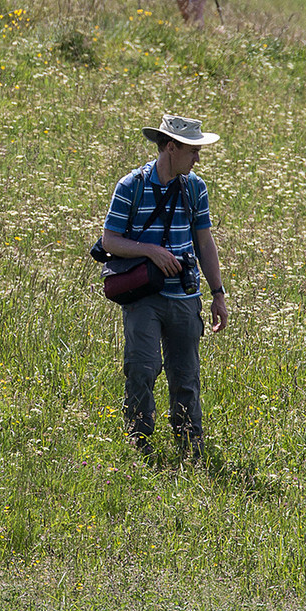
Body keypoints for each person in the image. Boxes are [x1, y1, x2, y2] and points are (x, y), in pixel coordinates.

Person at [99, 114, 229, 462]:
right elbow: (109, 240)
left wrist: (218, 293)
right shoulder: (131, 186)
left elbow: (205, 243)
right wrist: (151, 251)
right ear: (171, 147)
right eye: (193, 150)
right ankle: (139, 442)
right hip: (144, 297)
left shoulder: (195, 188)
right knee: (142, 368)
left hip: (186, 298)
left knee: (186, 376)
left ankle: (191, 448)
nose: (198, 158)